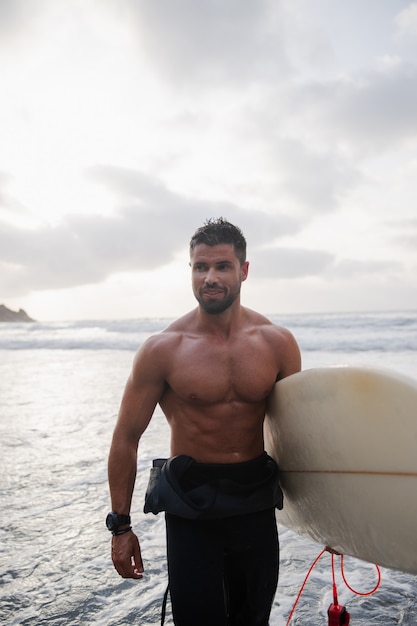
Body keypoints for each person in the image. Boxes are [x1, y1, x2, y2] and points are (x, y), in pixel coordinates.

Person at [107, 218, 301, 625]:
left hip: (254, 501)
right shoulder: (163, 349)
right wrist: (120, 527)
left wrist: (330, 520)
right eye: (200, 267)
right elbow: (126, 437)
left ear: (244, 271)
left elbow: (299, 436)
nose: (210, 278)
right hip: (191, 505)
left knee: (253, 620)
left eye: (222, 266)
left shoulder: (277, 343)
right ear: (191, 270)